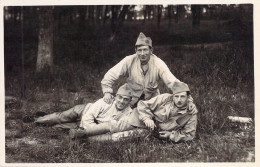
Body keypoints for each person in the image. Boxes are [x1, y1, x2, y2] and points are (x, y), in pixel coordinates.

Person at [23, 84, 134, 139]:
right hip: (83, 111)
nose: (122, 101)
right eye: (120, 97)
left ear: (130, 101)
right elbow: (89, 115)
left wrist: (87, 131)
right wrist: (89, 129)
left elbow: (115, 128)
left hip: (87, 126)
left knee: (59, 128)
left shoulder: (128, 113)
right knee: (60, 117)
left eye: (126, 99)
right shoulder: (106, 101)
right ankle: (36, 119)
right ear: (116, 96)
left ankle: (45, 119)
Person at [101, 32, 182, 107]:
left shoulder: (158, 64)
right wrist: (107, 91)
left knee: (160, 117)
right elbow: (111, 74)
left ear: (151, 50)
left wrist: (185, 95)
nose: (142, 54)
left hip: (151, 101)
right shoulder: (129, 60)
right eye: (139, 50)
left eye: (145, 50)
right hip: (130, 100)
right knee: (112, 111)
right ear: (135, 51)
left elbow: (172, 81)